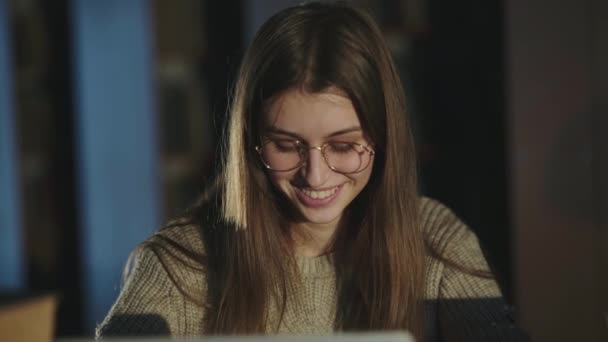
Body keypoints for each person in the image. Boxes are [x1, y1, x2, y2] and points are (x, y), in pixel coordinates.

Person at [97, 2, 530, 341]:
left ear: (383, 138)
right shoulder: (181, 263)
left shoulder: (434, 240)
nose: (316, 177)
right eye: (286, 146)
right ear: (250, 138)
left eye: (343, 146)